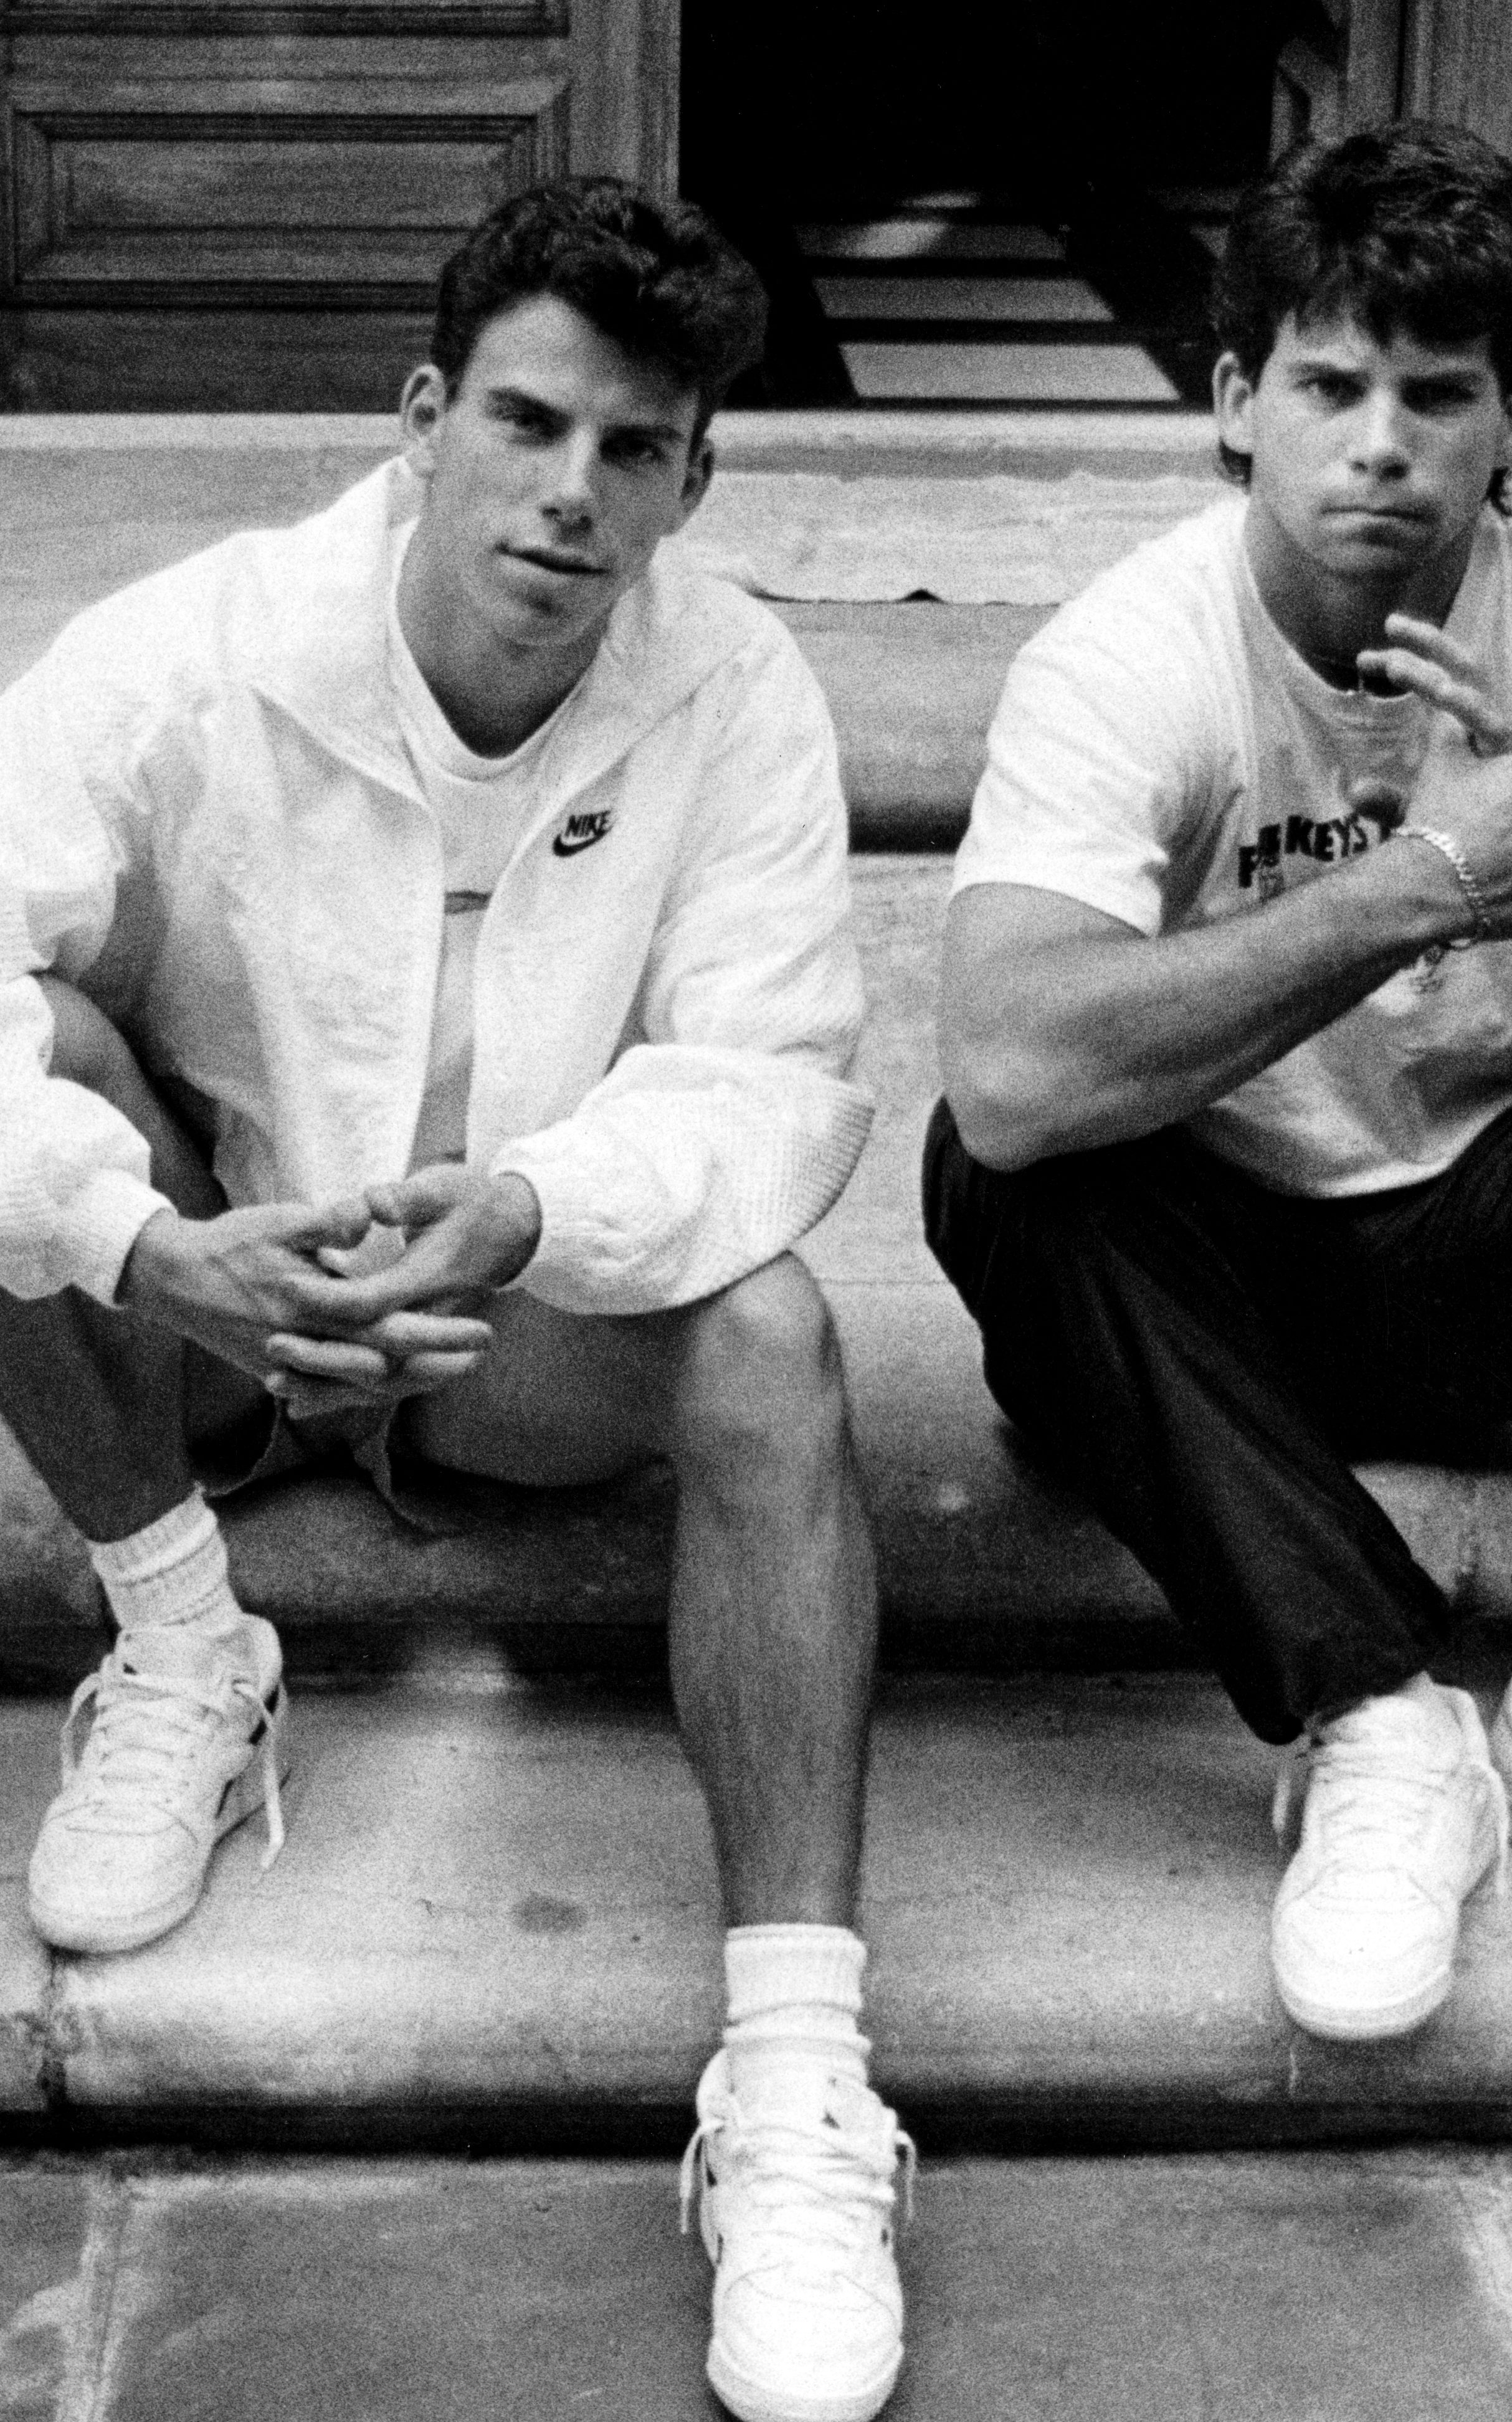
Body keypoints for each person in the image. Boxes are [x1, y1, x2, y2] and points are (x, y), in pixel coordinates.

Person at [0, 178, 909, 2422]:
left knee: (781, 1332)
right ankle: (189, 1638)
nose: (572, 493)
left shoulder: (739, 688)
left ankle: (798, 2081)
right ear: (424, 416)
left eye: (638, 449)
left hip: (517, 1315)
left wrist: (522, 1207)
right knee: (27, 1117)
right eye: (528, 423)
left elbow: (781, 1083)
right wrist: (147, 1246)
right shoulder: (187, 644)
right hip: (211, 1302)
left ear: (696, 476)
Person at [928, 119, 1512, 2046]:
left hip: (1485, 1254)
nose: (1381, 445)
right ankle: (1381, 1722)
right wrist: (1421, 886)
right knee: (990, 1161)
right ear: (1236, 399)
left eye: (1440, 395)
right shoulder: (1131, 655)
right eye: (1330, 386)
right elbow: (1014, 1072)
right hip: (1196, 1293)